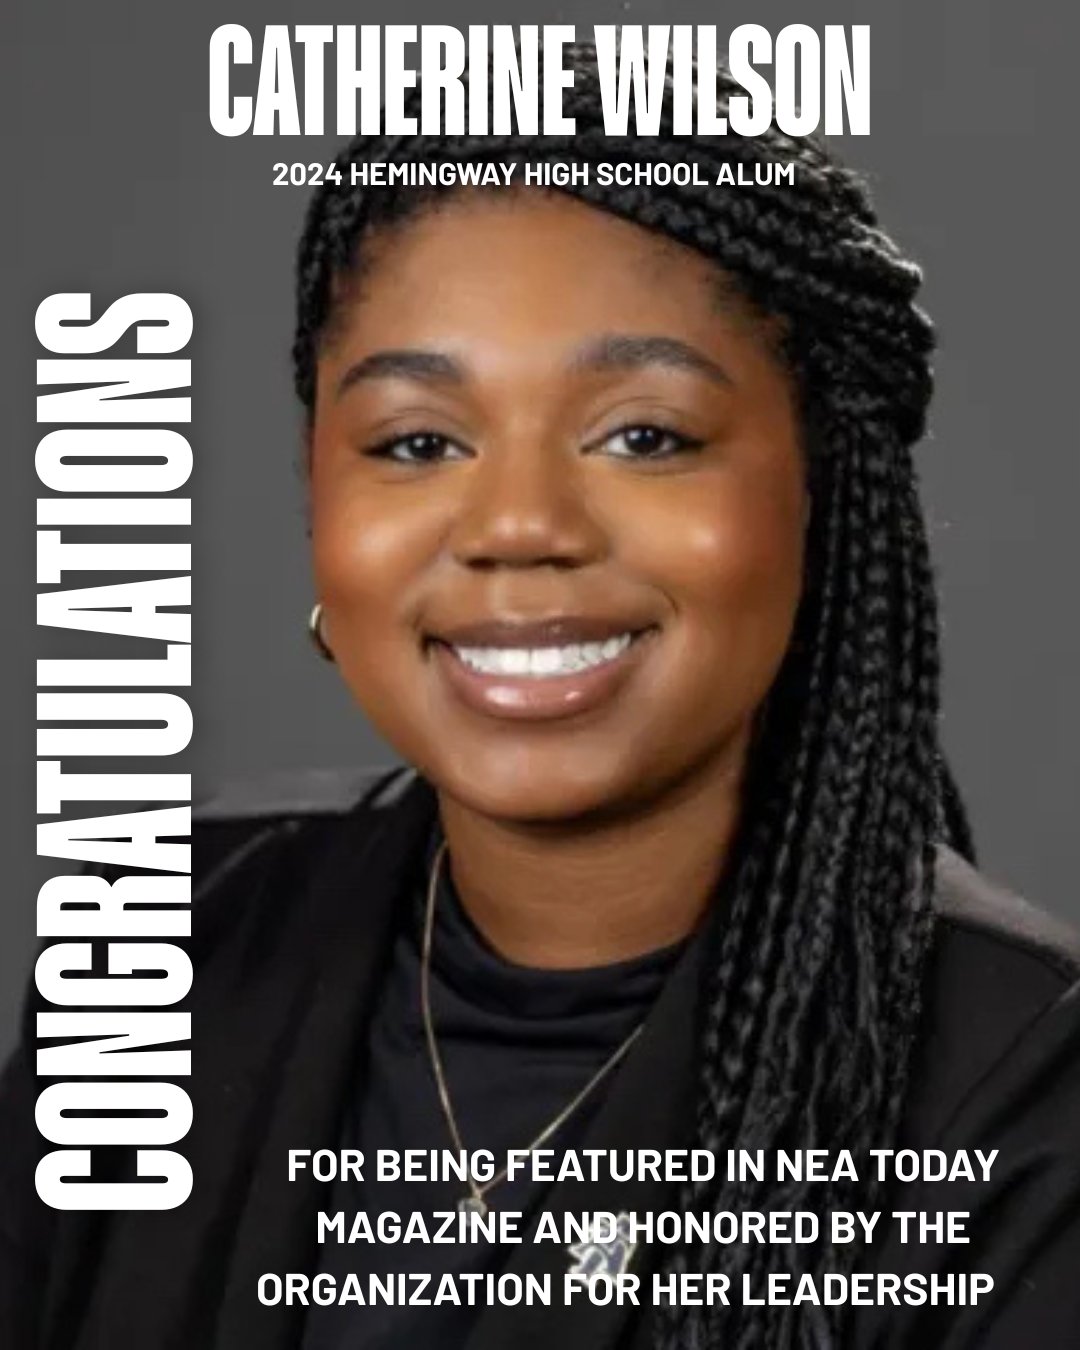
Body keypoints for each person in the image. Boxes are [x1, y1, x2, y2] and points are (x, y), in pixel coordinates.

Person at [3, 41, 1079, 1350]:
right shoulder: (166, 949)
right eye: (417, 442)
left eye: (645, 435)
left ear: (824, 495)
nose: (516, 525)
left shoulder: (1031, 1088)